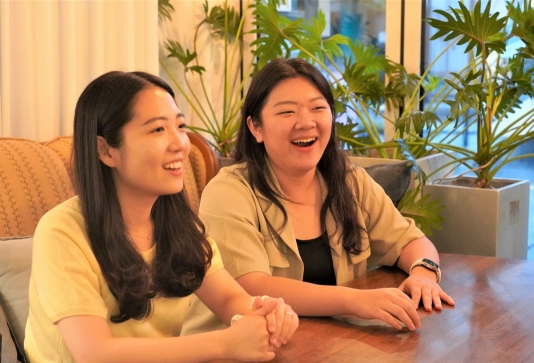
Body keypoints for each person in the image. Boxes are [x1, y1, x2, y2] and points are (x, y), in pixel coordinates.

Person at [23, 71, 298, 363]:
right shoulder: (62, 230)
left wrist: (265, 314)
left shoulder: (178, 224)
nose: (180, 144)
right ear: (106, 150)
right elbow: (96, 358)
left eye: (180, 127)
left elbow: (230, 300)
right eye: (157, 130)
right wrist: (226, 344)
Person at [186, 58, 454, 335]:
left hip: (321, 348)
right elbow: (253, 286)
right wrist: (356, 301)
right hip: (230, 358)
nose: (306, 122)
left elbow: (410, 241)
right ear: (256, 127)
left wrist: (424, 274)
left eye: (317, 108)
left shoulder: (349, 181)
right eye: (286, 112)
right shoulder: (228, 192)